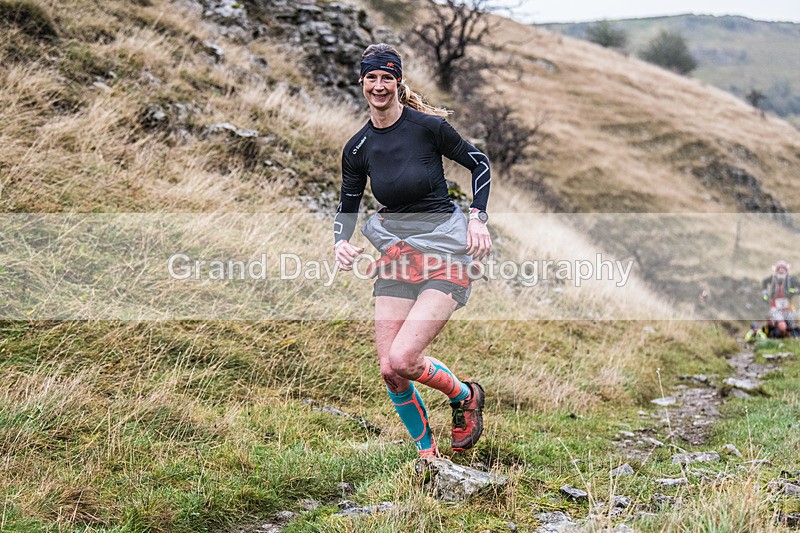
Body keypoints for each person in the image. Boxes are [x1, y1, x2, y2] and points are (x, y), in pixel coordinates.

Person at [333, 43, 492, 458]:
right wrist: (340, 243)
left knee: (405, 358)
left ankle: (463, 396)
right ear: (362, 83)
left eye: (388, 78)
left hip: (445, 249)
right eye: (372, 78)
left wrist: (478, 217)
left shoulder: (426, 127)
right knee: (390, 370)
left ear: (399, 82)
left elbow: (480, 163)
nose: (380, 86)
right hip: (399, 253)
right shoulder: (357, 147)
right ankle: (428, 456)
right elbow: (347, 205)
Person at [761, 260, 799, 337]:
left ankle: (788, 338)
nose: (781, 272)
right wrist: (765, 294)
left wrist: (794, 291)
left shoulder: (791, 280)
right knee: (781, 326)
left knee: (789, 326)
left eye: (783, 270)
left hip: (788, 307)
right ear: (776, 271)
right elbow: (764, 283)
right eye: (779, 270)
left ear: (786, 270)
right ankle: (777, 335)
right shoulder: (772, 279)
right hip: (775, 306)